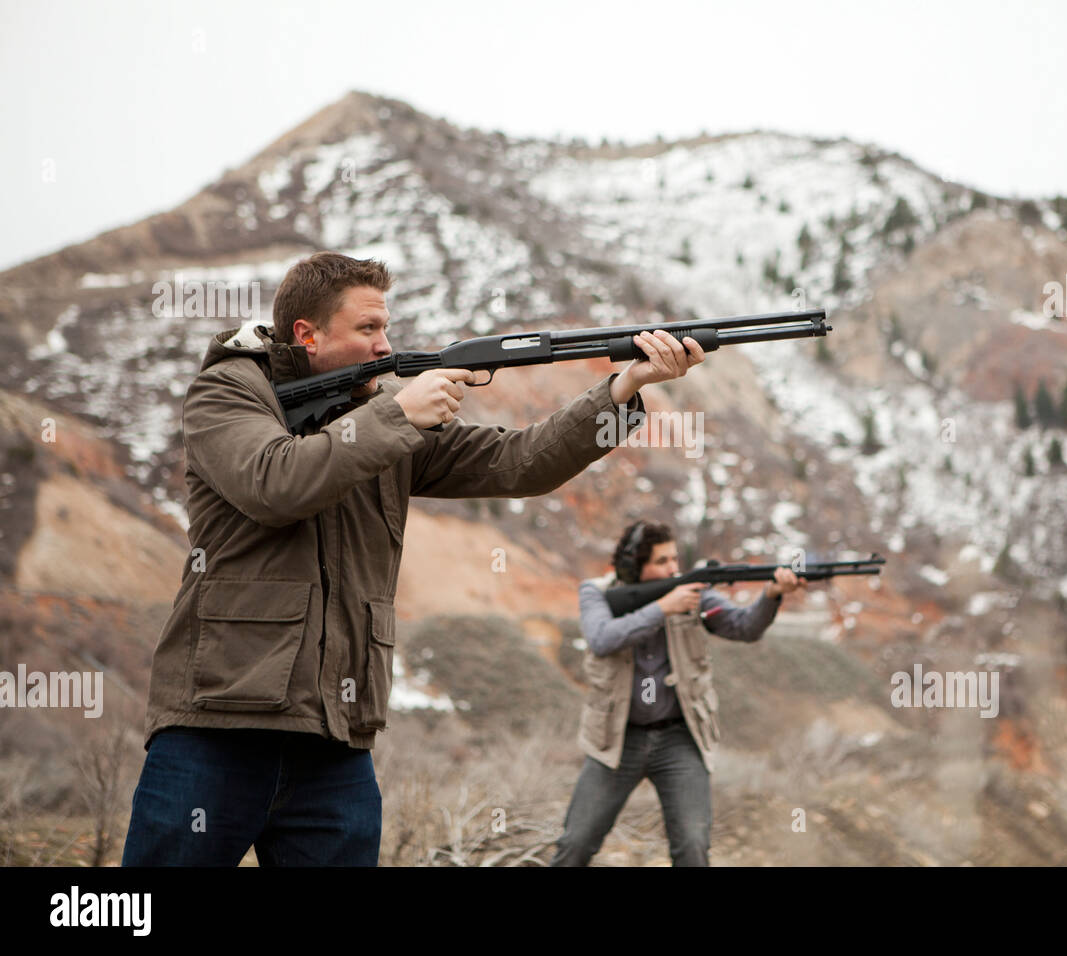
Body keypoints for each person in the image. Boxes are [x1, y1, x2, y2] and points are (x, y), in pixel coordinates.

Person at [122, 252, 705, 866]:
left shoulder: (379, 416)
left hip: (335, 736)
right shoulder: (228, 391)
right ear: (307, 334)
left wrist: (624, 388)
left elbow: (521, 462)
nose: (386, 346)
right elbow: (276, 483)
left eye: (387, 328)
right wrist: (397, 414)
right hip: (219, 725)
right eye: (368, 329)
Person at [551, 520, 806, 866]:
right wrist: (662, 608)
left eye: (674, 559)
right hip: (615, 739)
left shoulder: (694, 593)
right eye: (661, 562)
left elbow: (743, 627)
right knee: (575, 845)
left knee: (693, 846)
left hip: (679, 737)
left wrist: (771, 596)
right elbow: (601, 638)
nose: (674, 568)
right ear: (633, 566)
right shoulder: (596, 592)